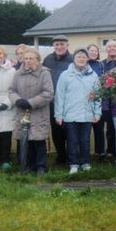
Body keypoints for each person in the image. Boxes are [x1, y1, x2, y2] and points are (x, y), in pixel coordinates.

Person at [54, 48, 101, 174]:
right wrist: (58, 114)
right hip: (70, 115)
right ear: (74, 59)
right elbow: (60, 96)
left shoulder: (93, 75)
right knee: (72, 140)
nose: (81, 59)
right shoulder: (65, 75)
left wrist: (97, 112)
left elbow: (97, 95)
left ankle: (85, 162)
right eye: (78, 57)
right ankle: (73, 164)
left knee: (85, 140)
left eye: (84, 57)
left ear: (87, 60)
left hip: (87, 114)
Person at [9, 48, 54, 176]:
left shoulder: (45, 73)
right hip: (22, 112)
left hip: (38, 112)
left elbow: (48, 93)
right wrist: (17, 100)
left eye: (31, 58)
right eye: (25, 58)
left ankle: (40, 166)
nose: (27, 61)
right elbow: (11, 90)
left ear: (38, 60)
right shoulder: (17, 73)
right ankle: (25, 165)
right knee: (24, 140)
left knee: (38, 140)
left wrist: (31, 102)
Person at [42, 35, 73, 164]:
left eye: (62, 44)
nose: (59, 47)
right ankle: (61, 156)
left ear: (67, 45)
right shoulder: (47, 59)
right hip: (52, 102)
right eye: (57, 45)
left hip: (68, 101)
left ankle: (71, 157)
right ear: (53, 46)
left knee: (69, 130)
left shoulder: (72, 60)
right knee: (56, 131)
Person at [100, 40, 116, 160]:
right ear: (106, 49)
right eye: (109, 46)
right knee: (110, 128)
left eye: (114, 46)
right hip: (106, 101)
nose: (112, 48)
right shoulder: (101, 64)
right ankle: (111, 151)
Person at [87, 44, 106, 159]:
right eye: (91, 51)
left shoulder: (100, 65)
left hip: (98, 100)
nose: (93, 53)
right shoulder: (83, 64)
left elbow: (104, 80)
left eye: (95, 51)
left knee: (99, 128)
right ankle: (86, 153)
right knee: (86, 130)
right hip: (86, 100)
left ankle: (100, 152)